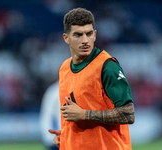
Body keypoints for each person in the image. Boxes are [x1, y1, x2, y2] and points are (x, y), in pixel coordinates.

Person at [48, 7, 135, 150]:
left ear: (95, 35)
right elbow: (76, 114)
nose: (85, 40)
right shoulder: (64, 68)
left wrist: (84, 114)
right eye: (78, 35)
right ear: (66, 38)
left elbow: (128, 113)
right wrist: (69, 136)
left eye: (89, 34)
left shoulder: (107, 67)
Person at [40, 81, 60, 150]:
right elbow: (48, 116)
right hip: (56, 139)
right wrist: (49, 136)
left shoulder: (54, 90)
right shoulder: (54, 91)